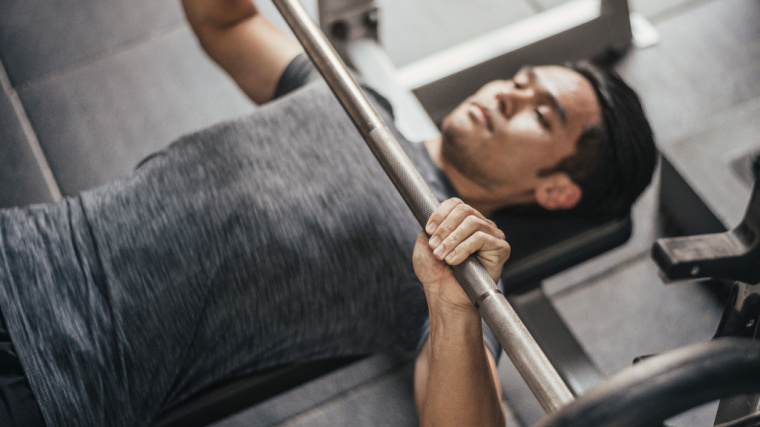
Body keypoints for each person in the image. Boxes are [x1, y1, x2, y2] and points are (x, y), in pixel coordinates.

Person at [0, 1, 656, 426]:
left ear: (557, 190)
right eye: (522, 81)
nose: (508, 96)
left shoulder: (461, 274)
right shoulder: (352, 96)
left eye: (541, 114)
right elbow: (222, 22)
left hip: (54, 377)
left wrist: (455, 309)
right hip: (21, 244)